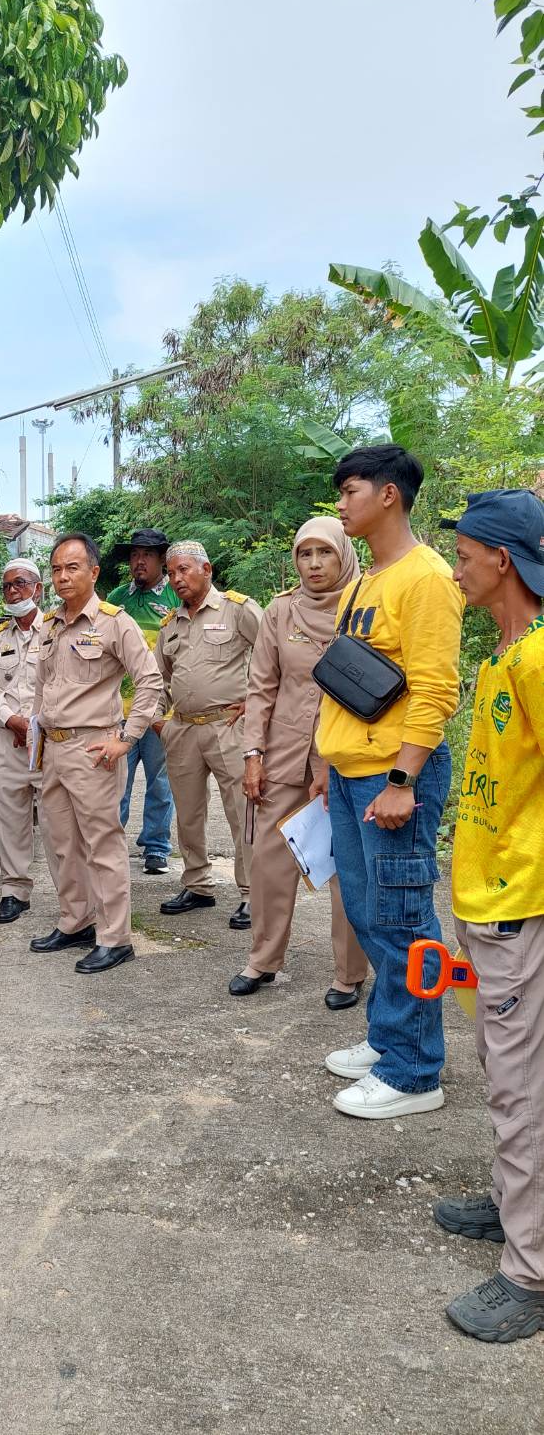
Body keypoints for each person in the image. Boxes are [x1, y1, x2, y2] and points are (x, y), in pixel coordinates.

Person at [316, 445, 463, 1121]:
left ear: (388, 495)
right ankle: (389, 1037)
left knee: (404, 917)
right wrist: (327, 764)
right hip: (352, 773)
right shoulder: (366, 581)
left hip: (395, 774)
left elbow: (435, 690)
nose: (340, 503)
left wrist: (403, 778)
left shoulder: (426, 577)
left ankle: (414, 1070)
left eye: (349, 490)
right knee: (369, 913)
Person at [434, 490, 544, 1341]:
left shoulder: (538, 658)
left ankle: (531, 1271)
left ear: (501, 560)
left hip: (520, 900)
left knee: (520, 1086)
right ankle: (516, 1204)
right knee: (503, 1068)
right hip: (485, 896)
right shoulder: (503, 656)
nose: (457, 568)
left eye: (465, 555)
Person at [232, 518, 368, 1005]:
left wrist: (332, 760)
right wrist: (253, 754)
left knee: (346, 866)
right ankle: (263, 959)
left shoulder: (367, 603)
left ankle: (350, 972)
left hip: (347, 756)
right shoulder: (281, 610)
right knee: (269, 862)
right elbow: (261, 686)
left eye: (324, 552)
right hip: (284, 755)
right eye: (304, 554)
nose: (314, 564)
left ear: (343, 554)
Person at [30, 532, 163, 974]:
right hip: (53, 748)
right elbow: (42, 688)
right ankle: (76, 921)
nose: (62, 577)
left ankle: (114, 937)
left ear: (93, 572)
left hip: (93, 748)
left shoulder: (113, 622)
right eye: (56, 569)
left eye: (72, 568)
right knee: (61, 843)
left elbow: (150, 680)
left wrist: (127, 738)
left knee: (102, 844)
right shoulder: (50, 625)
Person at [154, 541, 263, 930]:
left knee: (243, 812)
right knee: (188, 814)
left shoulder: (238, 610)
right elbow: (158, 679)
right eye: (171, 573)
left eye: (183, 570)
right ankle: (197, 884)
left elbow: (275, 656)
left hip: (228, 727)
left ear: (207, 569)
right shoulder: (170, 624)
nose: (176, 579)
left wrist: (256, 702)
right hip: (183, 729)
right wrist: (159, 722)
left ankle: (253, 894)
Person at [0, 557, 59, 923]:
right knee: (10, 820)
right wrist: (13, 722)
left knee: (58, 824)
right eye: (7, 586)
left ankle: (70, 896)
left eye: (20, 583)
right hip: (7, 743)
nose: (13, 591)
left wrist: (36, 725)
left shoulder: (56, 629)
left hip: (49, 743)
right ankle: (14, 891)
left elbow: (62, 682)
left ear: (38, 589)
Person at [106, 529, 179, 876]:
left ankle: (156, 847)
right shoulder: (117, 598)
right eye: (135, 554)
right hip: (120, 711)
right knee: (116, 783)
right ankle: (111, 846)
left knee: (160, 783)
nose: (139, 561)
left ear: (161, 559)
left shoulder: (176, 595)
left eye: (146, 555)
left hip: (161, 712)